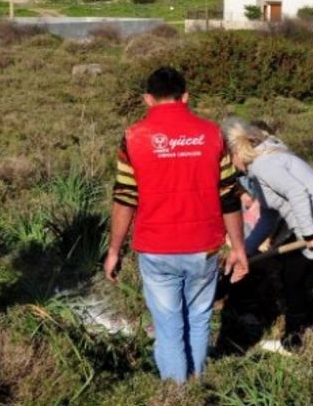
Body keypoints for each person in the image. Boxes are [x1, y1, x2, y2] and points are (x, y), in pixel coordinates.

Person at [103, 67, 249, 383]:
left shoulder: (133, 137)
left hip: (156, 248)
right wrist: (238, 248)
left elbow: (125, 197)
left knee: (169, 328)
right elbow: (229, 196)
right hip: (204, 247)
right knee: (199, 320)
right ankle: (195, 384)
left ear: (147, 99)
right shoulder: (213, 135)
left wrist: (114, 249)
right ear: (185, 97)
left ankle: (176, 395)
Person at [222, 118, 313, 346]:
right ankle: (296, 339)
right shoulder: (259, 167)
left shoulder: (265, 165)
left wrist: (310, 236)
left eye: (225, 158)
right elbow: (268, 217)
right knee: (293, 278)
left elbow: (297, 192)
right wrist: (245, 251)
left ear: (235, 151)